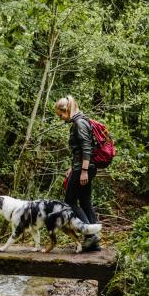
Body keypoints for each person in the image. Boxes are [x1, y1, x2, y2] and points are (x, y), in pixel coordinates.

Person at [54, 95, 102, 252]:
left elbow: (87, 148)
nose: (60, 118)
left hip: (84, 168)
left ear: (66, 110)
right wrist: (72, 166)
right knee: (85, 201)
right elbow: (79, 150)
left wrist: (83, 171)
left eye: (60, 115)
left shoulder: (79, 123)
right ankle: (94, 239)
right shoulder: (80, 121)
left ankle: (90, 235)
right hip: (82, 166)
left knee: (70, 202)